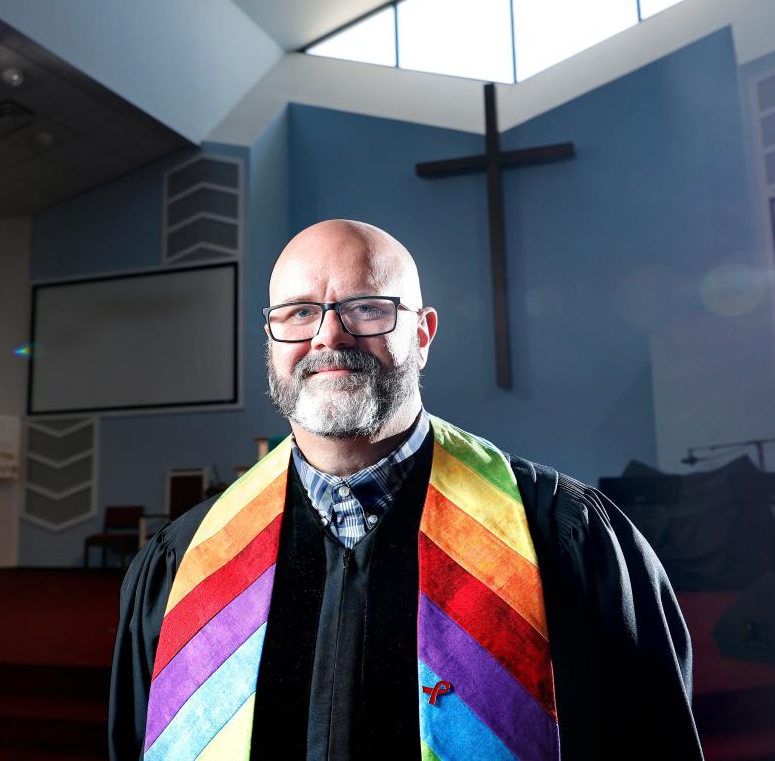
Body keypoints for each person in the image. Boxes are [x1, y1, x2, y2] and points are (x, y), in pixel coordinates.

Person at [109, 220, 704, 760]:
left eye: (365, 309)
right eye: (297, 313)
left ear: (422, 334)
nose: (327, 337)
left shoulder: (565, 536)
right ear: (270, 339)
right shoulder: (185, 561)